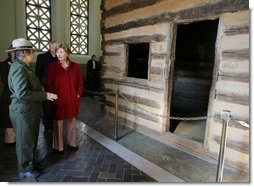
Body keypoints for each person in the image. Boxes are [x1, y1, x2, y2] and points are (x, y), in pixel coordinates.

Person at [7, 38, 58, 179]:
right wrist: (45, 94)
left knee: (31, 140)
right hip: (23, 111)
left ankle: (30, 163)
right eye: (31, 52)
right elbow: (22, 93)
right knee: (25, 141)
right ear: (24, 52)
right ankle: (25, 169)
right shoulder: (18, 68)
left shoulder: (23, 66)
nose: (33, 55)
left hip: (28, 111)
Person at [46, 43, 84, 153]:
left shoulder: (75, 66)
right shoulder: (52, 67)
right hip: (59, 100)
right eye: (57, 52)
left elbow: (80, 83)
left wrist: (77, 95)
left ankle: (72, 143)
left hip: (72, 99)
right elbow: (49, 84)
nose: (58, 54)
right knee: (58, 123)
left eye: (61, 52)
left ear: (67, 53)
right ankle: (59, 146)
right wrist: (55, 97)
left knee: (72, 122)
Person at [35, 41, 58, 130]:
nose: (54, 50)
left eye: (56, 48)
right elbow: (38, 73)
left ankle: (53, 122)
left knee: (55, 106)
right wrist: (40, 86)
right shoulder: (41, 57)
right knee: (47, 106)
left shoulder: (59, 57)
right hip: (46, 85)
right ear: (49, 47)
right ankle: (46, 123)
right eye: (52, 48)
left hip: (57, 86)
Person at [0, 46, 15, 145]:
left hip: (18, 96)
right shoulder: (3, 64)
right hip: (9, 95)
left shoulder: (21, 64)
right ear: (10, 53)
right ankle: (10, 141)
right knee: (8, 119)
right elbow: (6, 80)